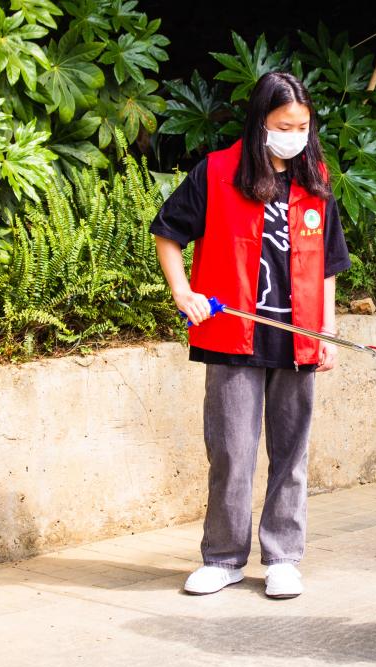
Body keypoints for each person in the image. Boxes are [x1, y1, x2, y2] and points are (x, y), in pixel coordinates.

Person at [150, 71, 350, 600]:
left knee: (291, 455)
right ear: (260, 123)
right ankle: (223, 558)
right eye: (284, 126)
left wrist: (327, 331)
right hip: (231, 336)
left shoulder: (315, 179)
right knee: (231, 453)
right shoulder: (217, 172)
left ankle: (283, 558)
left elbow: (328, 264)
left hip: (296, 337)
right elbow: (167, 233)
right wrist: (182, 291)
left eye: (302, 127)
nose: (294, 136)